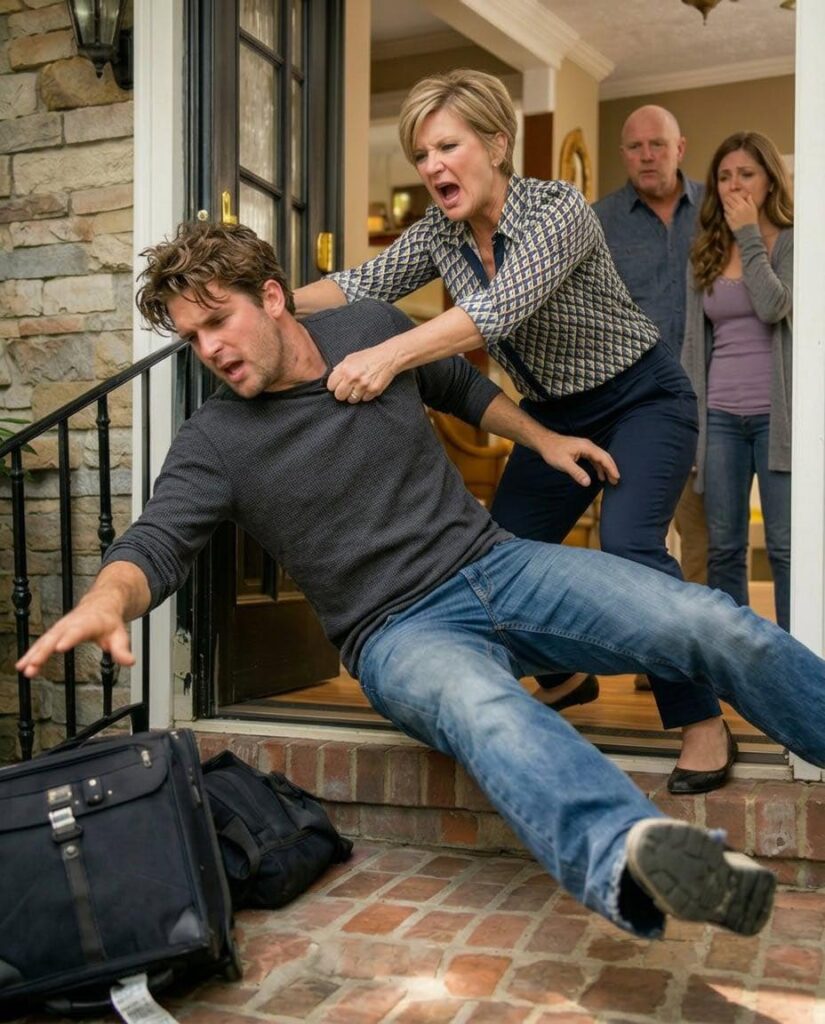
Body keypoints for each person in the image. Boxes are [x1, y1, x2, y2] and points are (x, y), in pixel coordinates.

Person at [18, 221, 825, 943]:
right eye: (192, 337)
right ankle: (633, 856)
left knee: (710, 621)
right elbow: (154, 543)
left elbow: (458, 387)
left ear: (271, 297)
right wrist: (104, 600)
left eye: (217, 321)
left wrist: (542, 439)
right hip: (396, 633)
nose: (209, 350)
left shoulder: (370, 330)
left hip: (497, 564)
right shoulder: (214, 442)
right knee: (486, 709)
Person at [293, 69, 729, 792]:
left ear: (497, 145)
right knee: (496, 554)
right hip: (554, 413)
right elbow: (358, 285)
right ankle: (562, 679)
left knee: (629, 545)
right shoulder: (439, 233)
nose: (431, 166)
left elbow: (497, 310)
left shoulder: (557, 208)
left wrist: (388, 355)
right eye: (421, 154)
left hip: (642, 397)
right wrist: (269, 305)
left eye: (447, 147)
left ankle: (700, 721)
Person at [682, 132, 793, 632]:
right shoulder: (705, 250)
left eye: (746, 174)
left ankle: (794, 656)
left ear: (770, 181)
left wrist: (749, 235)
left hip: (777, 420)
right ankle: (740, 659)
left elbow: (773, 307)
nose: (734, 185)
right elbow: (693, 344)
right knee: (724, 548)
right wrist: (692, 426)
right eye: (725, 176)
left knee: (784, 547)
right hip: (720, 419)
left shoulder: (792, 242)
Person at [593, 105, 708, 590]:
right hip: (635, 408)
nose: (646, 156)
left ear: (679, 148)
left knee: (708, 542)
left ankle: (705, 638)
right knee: (633, 544)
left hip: (711, 404)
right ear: (623, 153)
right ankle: (648, 639)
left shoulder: (715, 210)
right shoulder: (598, 221)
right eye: (635, 147)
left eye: (657, 144)